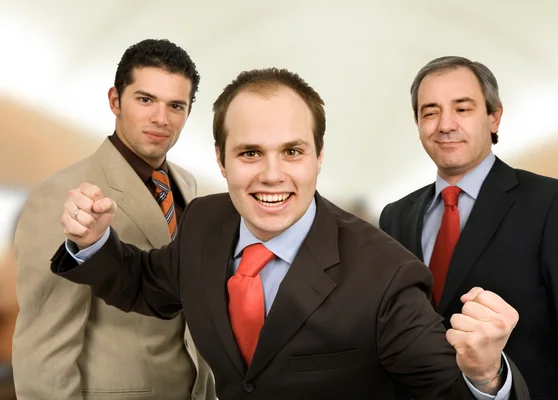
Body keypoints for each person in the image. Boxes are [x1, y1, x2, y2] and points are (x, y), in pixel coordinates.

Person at [51, 67, 529, 399]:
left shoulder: (386, 274)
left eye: (293, 152)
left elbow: (443, 388)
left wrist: (486, 376)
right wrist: (92, 241)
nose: (272, 175)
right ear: (221, 160)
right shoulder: (202, 224)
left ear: (319, 157)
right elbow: (144, 285)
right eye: (250, 153)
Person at [379, 56, 558, 399]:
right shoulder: (395, 216)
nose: (445, 124)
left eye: (463, 109)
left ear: (493, 116)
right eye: (430, 112)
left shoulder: (553, 203)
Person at [12, 39, 215, 400]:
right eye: (145, 99)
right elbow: (43, 347)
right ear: (115, 101)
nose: (160, 118)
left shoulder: (185, 184)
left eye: (176, 106)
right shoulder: (63, 195)